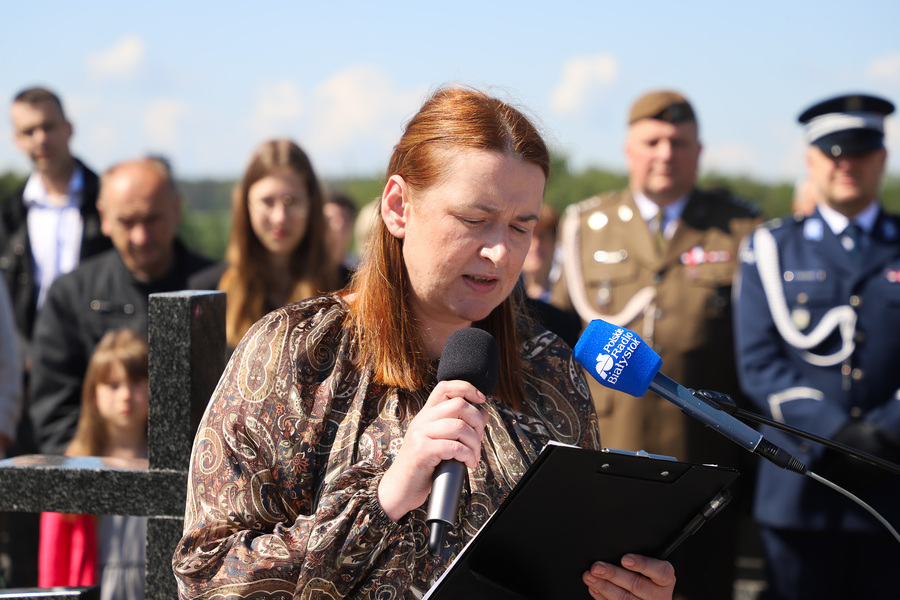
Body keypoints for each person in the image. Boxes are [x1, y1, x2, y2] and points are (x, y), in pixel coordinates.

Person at [173, 86, 677, 600]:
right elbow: (206, 577)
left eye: (520, 228)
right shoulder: (297, 352)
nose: (501, 253)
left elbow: (572, 562)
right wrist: (384, 499)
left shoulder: (547, 368)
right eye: (474, 220)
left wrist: (625, 590)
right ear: (398, 207)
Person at [553, 90, 763, 600]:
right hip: (606, 457)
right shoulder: (586, 227)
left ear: (699, 151)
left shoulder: (740, 229)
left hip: (703, 465)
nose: (665, 154)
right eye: (653, 142)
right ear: (629, 149)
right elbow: (556, 340)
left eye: (679, 142)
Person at [734, 93, 900, 600]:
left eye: (860, 151)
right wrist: (836, 433)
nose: (846, 164)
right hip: (801, 486)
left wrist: (884, 434)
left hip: (893, 482)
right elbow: (759, 363)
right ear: (811, 160)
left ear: (882, 158)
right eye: (833, 152)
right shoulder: (770, 249)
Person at [28, 157, 213, 455]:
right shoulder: (72, 295)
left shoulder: (219, 287)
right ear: (103, 217)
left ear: (177, 209)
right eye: (127, 222)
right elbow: (54, 410)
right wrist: (96, 471)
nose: (141, 236)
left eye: (152, 219)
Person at [188, 139, 348, 350]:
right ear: (246, 205)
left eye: (292, 201)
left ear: (312, 205)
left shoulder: (347, 289)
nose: (279, 217)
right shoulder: (207, 292)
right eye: (267, 201)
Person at [38, 328, 148, 598]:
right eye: (113, 385)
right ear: (93, 394)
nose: (125, 395)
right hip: (96, 586)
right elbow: (53, 554)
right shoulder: (73, 466)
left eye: (136, 382)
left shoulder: (175, 461)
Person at [323, 189, 360, 270]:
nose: (339, 225)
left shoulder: (360, 269)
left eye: (346, 219)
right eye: (331, 219)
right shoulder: (305, 265)